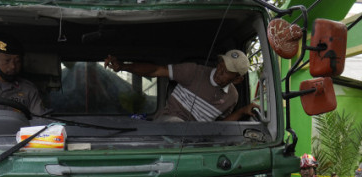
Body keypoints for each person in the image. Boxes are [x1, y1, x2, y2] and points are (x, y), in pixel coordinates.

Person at [103, 50, 259, 122]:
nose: (219, 72)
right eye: (220, 66)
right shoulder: (193, 71)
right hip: (169, 125)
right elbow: (157, 70)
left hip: (198, 141)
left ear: (237, 80)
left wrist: (242, 112)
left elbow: (222, 126)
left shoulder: (232, 97)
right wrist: (123, 66)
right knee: (176, 124)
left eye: (226, 72)